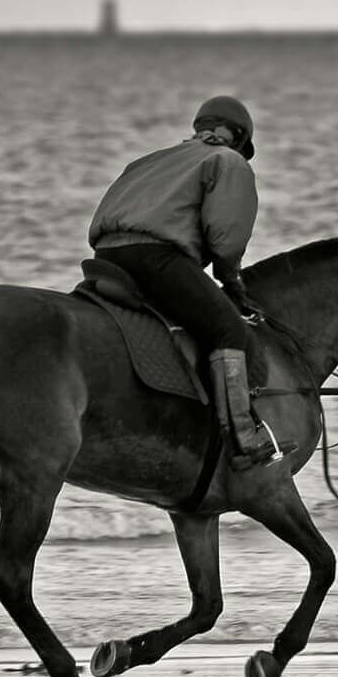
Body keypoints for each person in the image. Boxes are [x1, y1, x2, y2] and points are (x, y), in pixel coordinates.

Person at [88, 95, 278, 467]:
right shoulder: (227, 161)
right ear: (237, 137)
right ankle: (244, 439)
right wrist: (232, 284)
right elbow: (226, 237)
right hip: (157, 257)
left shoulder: (148, 160)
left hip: (107, 256)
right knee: (228, 331)